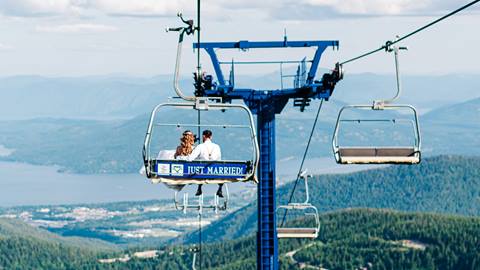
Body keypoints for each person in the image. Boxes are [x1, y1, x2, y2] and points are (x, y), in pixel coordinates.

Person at [187, 130, 223, 197]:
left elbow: (190, 158)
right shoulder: (217, 147)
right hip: (215, 172)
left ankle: (199, 187)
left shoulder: (200, 146)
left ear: (203, 136)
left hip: (202, 173)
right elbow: (219, 159)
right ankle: (220, 189)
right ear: (211, 137)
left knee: (199, 168)